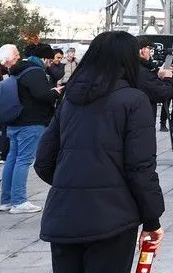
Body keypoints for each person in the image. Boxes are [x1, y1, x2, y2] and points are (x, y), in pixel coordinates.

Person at [34, 31, 164, 273]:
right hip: (112, 218)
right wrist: (152, 219)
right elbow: (140, 167)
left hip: (64, 215)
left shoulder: (69, 98)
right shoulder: (134, 100)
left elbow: (43, 161)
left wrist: (74, 184)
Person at [0, 43, 62, 214]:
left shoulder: (18, 70)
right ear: (44, 58)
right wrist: (56, 92)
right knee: (23, 160)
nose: (50, 64)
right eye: (49, 60)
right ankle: (19, 201)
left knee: (12, 159)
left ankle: (7, 200)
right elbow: (42, 95)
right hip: (31, 122)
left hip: (15, 121)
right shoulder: (35, 71)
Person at [135, 41, 172, 127]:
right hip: (142, 122)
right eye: (150, 49)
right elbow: (162, 93)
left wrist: (157, 75)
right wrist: (168, 78)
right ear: (142, 50)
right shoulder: (142, 72)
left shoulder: (138, 68)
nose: (151, 53)